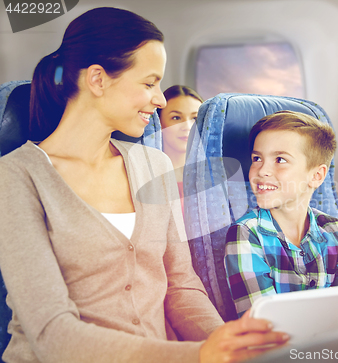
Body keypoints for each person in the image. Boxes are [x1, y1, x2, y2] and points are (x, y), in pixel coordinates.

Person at [0, 7, 288, 363]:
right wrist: (199, 355)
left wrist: (226, 345)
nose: (161, 99)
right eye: (149, 82)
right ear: (98, 79)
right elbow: (52, 333)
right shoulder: (16, 176)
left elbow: (181, 287)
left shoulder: (153, 165)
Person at [224, 110, 338, 317]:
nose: (262, 170)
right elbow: (264, 325)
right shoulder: (246, 234)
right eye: (257, 158)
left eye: (280, 160)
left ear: (316, 176)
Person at [159, 85, 203, 210]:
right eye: (176, 118)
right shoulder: (142, 176)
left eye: (195, 118)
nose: (187, 126)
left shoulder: (214, 177)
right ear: (160, 123)